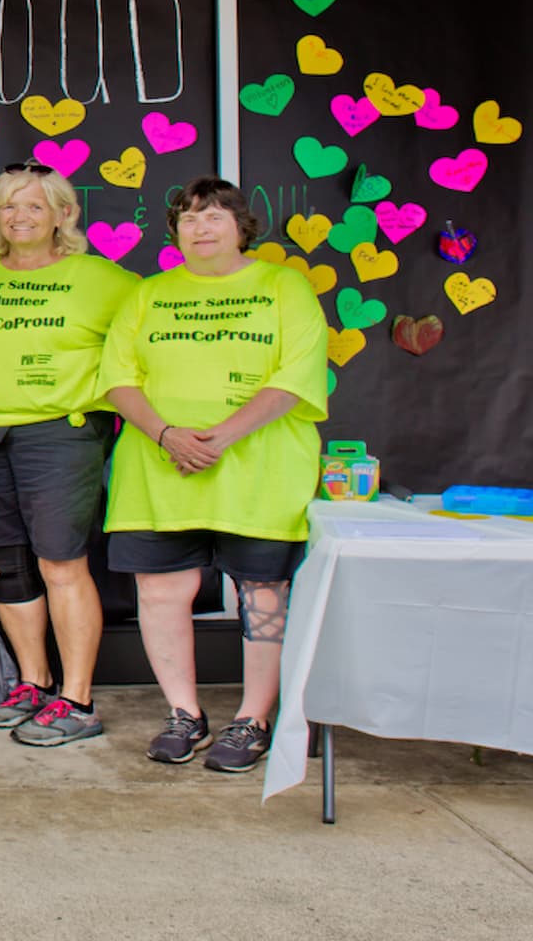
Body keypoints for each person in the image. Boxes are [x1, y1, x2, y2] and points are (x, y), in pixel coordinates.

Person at [101, 176, 328, 772]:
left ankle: (253, 718)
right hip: (158, 468)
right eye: (189, 219)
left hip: (261, 472)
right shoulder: (147, 294)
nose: (201, 228)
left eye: (215, 217)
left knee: (263, 594)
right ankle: (184, 713)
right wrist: (167, 435)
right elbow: (118, 377)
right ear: (174, 231)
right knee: (161, 589)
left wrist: (221, 437)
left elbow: (295, 378)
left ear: (240, 226)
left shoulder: (285, 287)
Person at [0, 164, 139, 747]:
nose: (19, 218)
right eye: (7, 208)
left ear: (63, 214)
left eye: (33, 207)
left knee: (60, 564)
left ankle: (77, 699)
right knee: (5, 565)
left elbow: (148, 345)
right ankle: (33, 681)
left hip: (62, 434)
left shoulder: (104, 279)